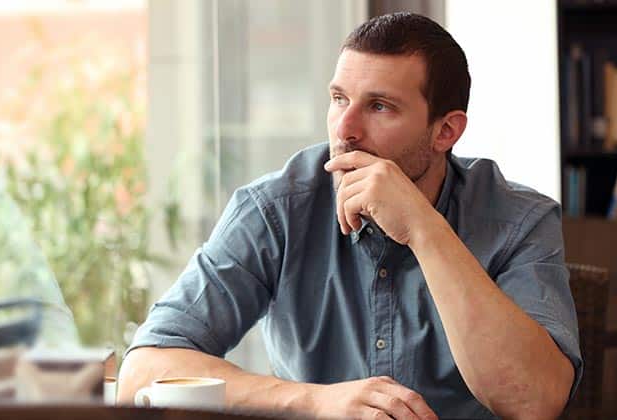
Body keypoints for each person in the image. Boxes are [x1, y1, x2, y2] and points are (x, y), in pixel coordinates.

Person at [118, 12, 581, 420]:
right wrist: (315, 402)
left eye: (379, 107)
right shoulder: (276, 209)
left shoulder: (520, 219)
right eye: (339, 99)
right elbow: (143, 373)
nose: (345, 130)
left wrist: (423, 228)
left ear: (445, 131)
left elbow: (534, 402)